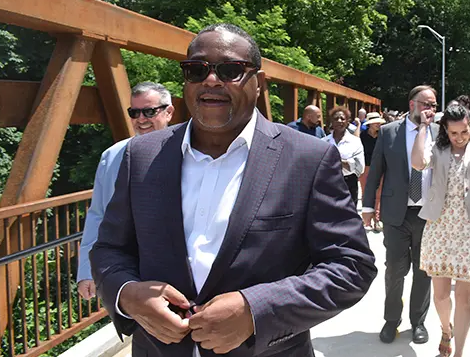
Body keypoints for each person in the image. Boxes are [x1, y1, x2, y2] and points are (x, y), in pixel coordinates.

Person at [90, 23, 377, 357]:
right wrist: (126, 294)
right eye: (197, 70)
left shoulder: (307, 159)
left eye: (230, 70)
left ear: (259, 82)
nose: (211, 80)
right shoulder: (141, 155)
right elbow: (109, 248)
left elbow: (351, 265)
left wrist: (255, 311)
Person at [77, 81, 174, 300]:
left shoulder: (190, 153)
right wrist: (87, 271)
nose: (141, 119)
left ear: (168, 112)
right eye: (134, 112)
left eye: (149, 112)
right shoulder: (112, 156)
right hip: (124, 269)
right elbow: (98, 215)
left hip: (175, 270)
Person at [412, 101, 470, 357]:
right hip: (440, 226)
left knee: (463, 297)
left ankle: (459, 352)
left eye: (464, 131)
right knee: (440, 295)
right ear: (445, 131)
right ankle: (446, 329)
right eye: (453, 133)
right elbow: (417, 163)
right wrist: (423, 126)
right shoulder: (438, 150)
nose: (459, 137)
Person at [362, 85, 439, 345]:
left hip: (428, 214)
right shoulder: (389, 132)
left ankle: (418, 321)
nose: (430, 109)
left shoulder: (439, 132)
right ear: (412, 104)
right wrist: (367, 207)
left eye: (434, 105)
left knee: (423, 271)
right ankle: (391, 320)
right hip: (396, 213)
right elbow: (376, 171)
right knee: (395, 270)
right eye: (426, 104)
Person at [322, 106, 365, 202]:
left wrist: (335, 160)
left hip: (348, 184)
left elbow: (359, 167)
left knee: (349, 211)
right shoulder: (323, 142)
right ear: (331, 121)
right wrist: (347, 163)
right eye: (336, 118)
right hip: (327, 182)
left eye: (342, 118)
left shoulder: (355, 142)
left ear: (348, 121)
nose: (339, 121)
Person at [358, 112, 386, 230]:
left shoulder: (383, 135)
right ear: (369, 124)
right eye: (375, 123)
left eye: (379, 122)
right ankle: (367, 219)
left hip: (380, 167)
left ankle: (377, 220)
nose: (378, 124)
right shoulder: (362, 136)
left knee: (379, 194)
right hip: (366, 167)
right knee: (366, 192)